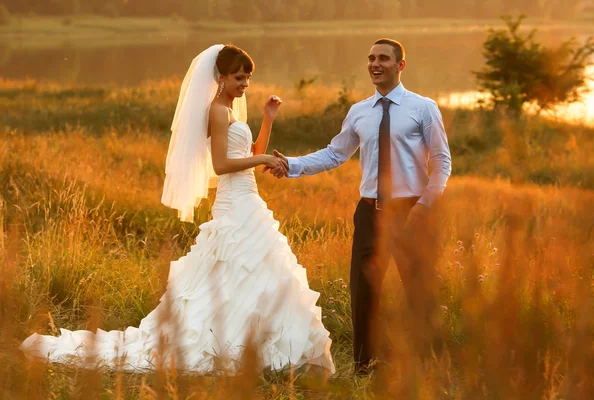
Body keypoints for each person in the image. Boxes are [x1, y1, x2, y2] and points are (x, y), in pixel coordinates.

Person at [20, 44, 335, 375]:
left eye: (248, 78)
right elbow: (222, 164)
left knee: (257, 270)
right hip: (234, 201)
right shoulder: (216, 110)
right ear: (221, 77)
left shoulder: (230, 111)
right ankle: (232, 342)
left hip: (247, 198)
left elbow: (251, 153)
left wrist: (268, 120)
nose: (245, 85)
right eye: (239, 78)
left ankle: (256, 341)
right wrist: (264, 159)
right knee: (241, 266)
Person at [268, 38, 451, 373]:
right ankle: (365, 364)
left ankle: (430, 363)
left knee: (419, 291)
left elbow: (441, 162)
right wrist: (291, 164)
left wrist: (425, 207)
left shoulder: (423, 108)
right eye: (370, 58)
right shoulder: (359, 112)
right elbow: (335, 153)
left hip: (411, 210)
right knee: (364, 291)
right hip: (369, 213)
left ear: (400, 65)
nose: (375, 64)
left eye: (383, 58)